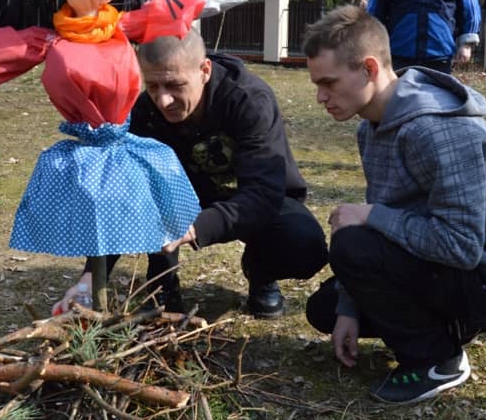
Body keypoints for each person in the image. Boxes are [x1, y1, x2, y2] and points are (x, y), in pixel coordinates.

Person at [302, 5, 486, 405]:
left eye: (329, 82)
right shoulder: (370, 127)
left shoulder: (438, 130)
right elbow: (396, 217)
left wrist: (371, 215)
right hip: (442, 265)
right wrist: (350, 306)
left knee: (351, 243)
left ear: (369, 68)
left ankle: (438, 359)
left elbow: (461, 247)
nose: (321, 97)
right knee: (326, 310)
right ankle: (448, 325)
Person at [53, 30, 329, 318]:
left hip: (251, 200)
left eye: (175, 85)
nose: (163, 101)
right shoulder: (143, 111)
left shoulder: (248, 100)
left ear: (204, 70)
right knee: (147, 195)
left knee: (304, 246)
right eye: (153, 86)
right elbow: (121, 195)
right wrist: (89, 278)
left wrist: (196, 227)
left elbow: (263, 194)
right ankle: (162, 283)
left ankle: (260, 271)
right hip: (180, 199)